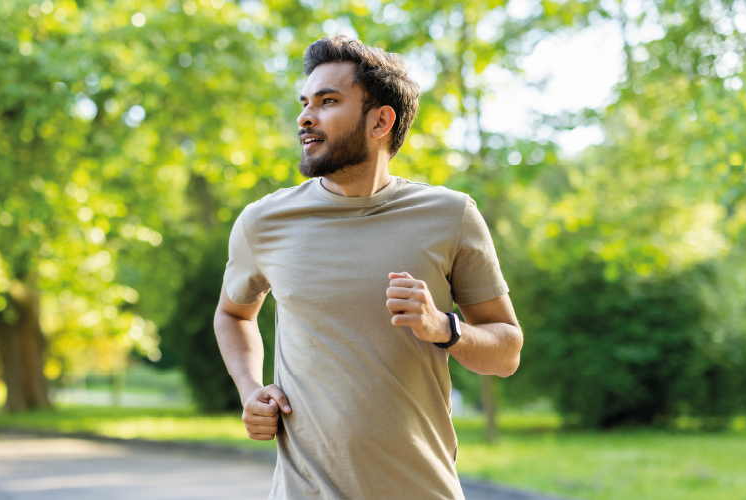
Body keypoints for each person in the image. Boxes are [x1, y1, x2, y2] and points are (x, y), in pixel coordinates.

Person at [213, 35, 523, 499]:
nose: (305, 117)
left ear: (381, 120)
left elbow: (507, 351)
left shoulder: (450, 216)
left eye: (328, 101)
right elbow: (233, 313)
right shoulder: (264, 221)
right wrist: (250, 388)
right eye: (305, 103)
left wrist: (443, 327)